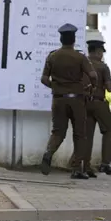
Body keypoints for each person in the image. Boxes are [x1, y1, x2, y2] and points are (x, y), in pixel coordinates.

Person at [39, 23, 97, 180]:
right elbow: (93, 76)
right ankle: (77, 169)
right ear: (73, 39)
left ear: (61, 39)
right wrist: (91, 88)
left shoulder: (52, 56)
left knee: (58, 132)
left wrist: (56, 87)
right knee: (80, 134)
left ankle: (48, 152)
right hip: (77, 100)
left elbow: (44, 79)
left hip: (58, 100)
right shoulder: (80, 57)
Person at [82, 40, 111, 177]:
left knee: (88, 135)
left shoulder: (82, 64)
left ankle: (86, 165)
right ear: (97, 52)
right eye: (101, 52)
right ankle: (105, 163)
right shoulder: (103, 67)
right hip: (99, 103)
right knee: (108, 130)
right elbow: (109, 88)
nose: (102, 55)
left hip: (85, 103)